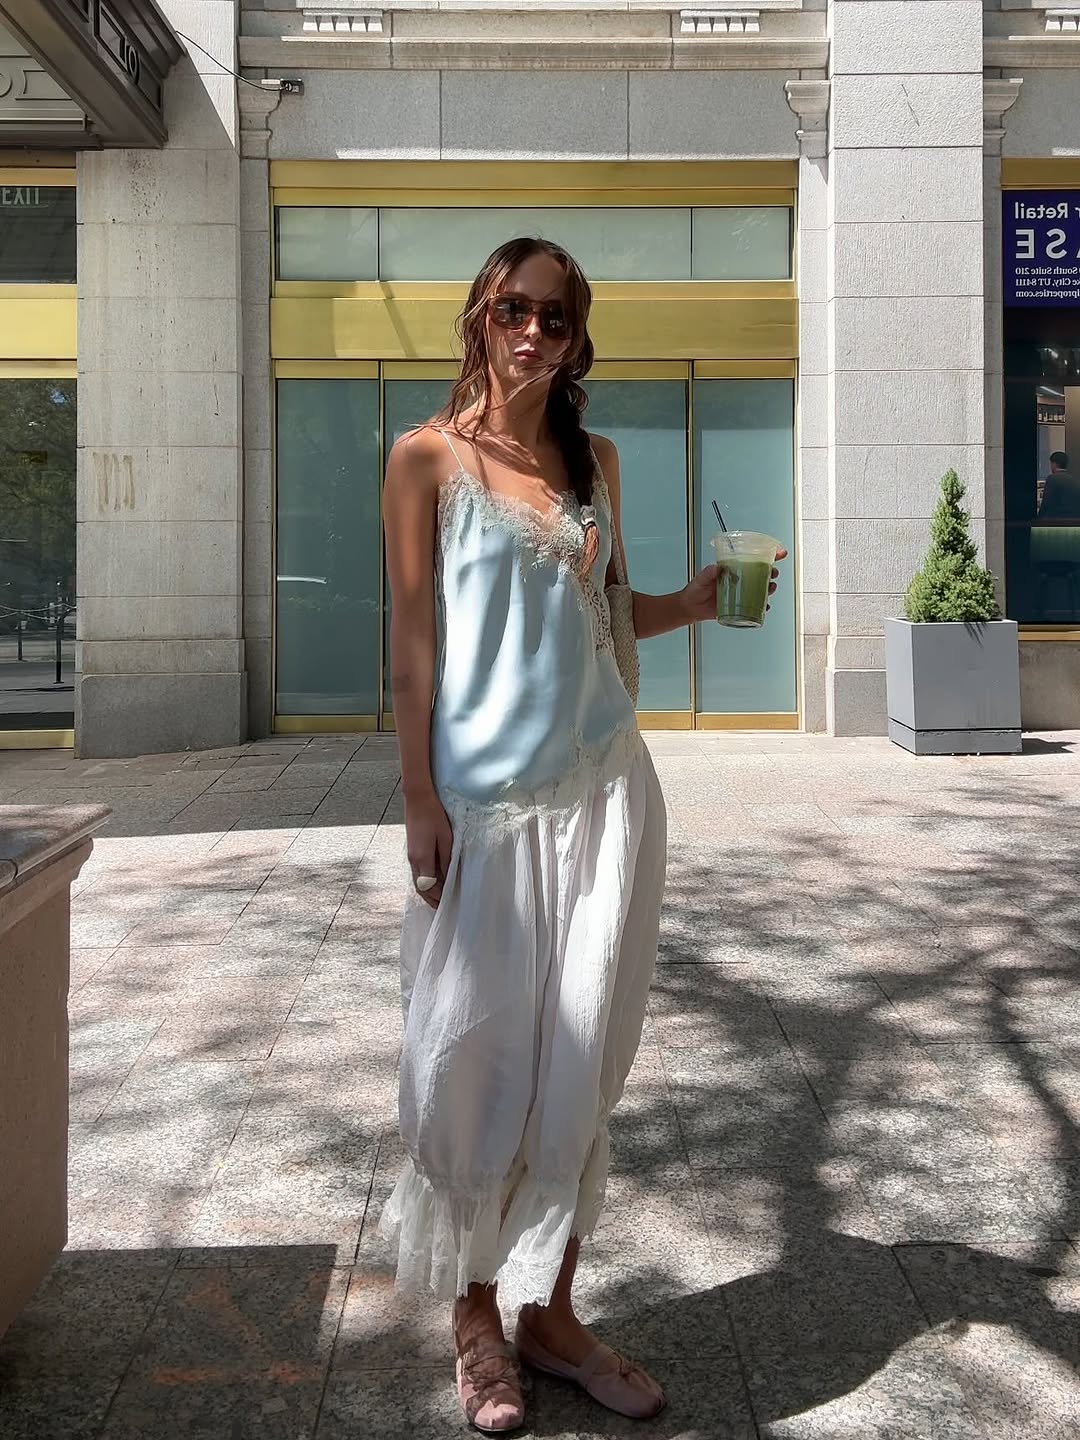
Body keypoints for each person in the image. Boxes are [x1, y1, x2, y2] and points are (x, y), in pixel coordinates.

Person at [379, 236, 784, 1434]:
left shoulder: (594, 461)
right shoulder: (427, 459)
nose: (534, 334)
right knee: (471, 1060)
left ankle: (550, 1314)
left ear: (577, 338)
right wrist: (419, 797)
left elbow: (605, 615)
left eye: (556, 319)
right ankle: (475, 1323)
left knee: (580, 1064)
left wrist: (697, 602)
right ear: (479, 315)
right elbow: (413, 643)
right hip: (487, 809)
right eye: (515, 309)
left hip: (606, 793)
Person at [1038, 451, 1080, 520]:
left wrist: (1038, 519)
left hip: (1058, 521)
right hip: (1075, 521)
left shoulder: (1052, 478)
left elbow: (1046, 504)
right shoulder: (1074, 479)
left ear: (1054, 464)